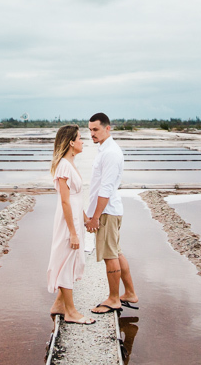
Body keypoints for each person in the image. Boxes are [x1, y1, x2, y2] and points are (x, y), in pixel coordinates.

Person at [84, 112, 139, 314]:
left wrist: (95, 217)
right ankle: (130, 293)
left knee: (110, 256)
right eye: (90, 130)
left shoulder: (110, 153)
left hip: (107, 211)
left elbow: (105, 189)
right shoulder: (104, 150)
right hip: (109, 210)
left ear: (108, 128)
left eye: (96, 129)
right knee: (116, 252)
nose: (92, 134)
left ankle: (114, 299)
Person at [46, 124, 95, 325]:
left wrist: (86, 219)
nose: (83, 141)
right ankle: (71, 312)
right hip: (68, 223)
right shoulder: (64, 166)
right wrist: (73, 233)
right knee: (66, 261)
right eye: (80, 138)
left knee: (72, 260)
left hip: (74, 220)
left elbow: (76, 199)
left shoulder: (70, 164)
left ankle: (59, 305)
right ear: (72, 143)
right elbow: (65, 201)